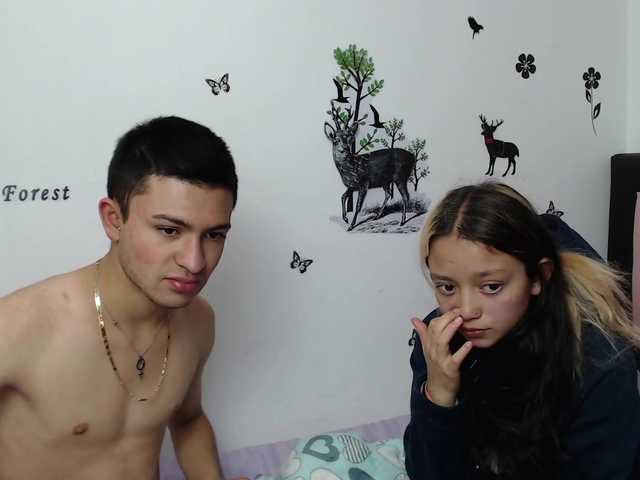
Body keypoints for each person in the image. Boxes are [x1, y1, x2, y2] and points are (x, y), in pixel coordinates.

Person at [0, 116, 238, 479]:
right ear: (113, 219)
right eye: (169, 230)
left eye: (214, 235)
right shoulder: (19, 326)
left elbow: (188, 421)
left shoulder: (199, 322)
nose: (194, 262)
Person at [404, 182, 640, 479]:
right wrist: (439, 395)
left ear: (538, 277)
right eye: (447, 287)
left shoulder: (601, 362)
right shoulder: (440, 341)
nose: (466, 310)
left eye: (492, 286)